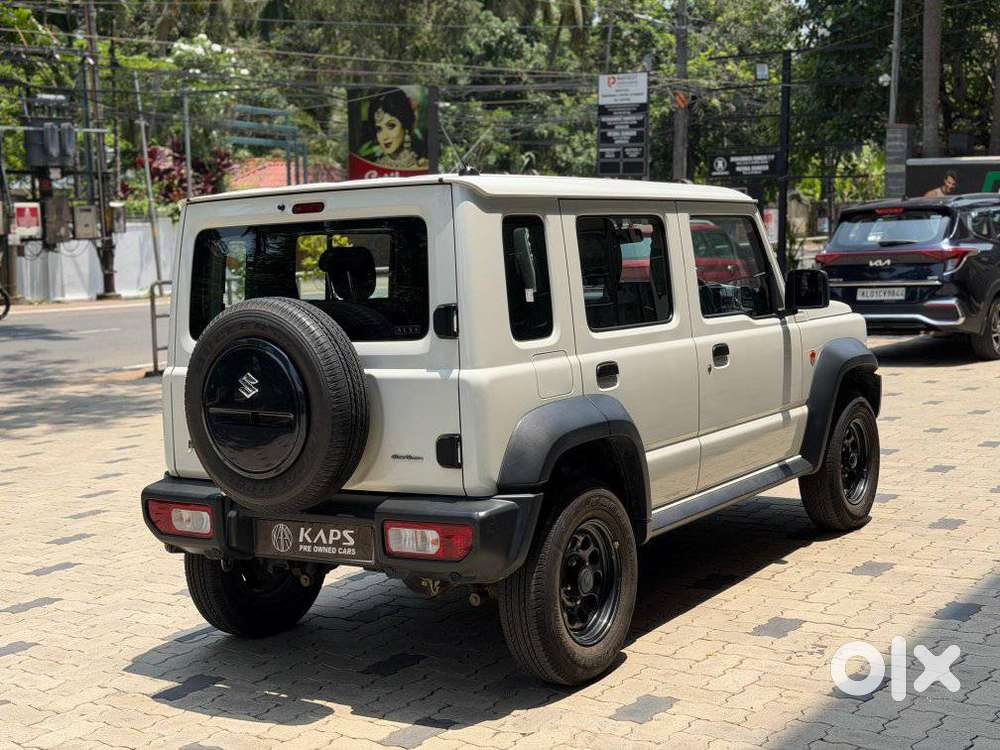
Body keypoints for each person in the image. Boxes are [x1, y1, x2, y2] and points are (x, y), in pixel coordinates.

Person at [367, 89, 428, 171]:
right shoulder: (372, 169)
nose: (384, 137)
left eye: (391, 126)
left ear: (405, 124)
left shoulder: (423, 165)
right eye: (379, 129)